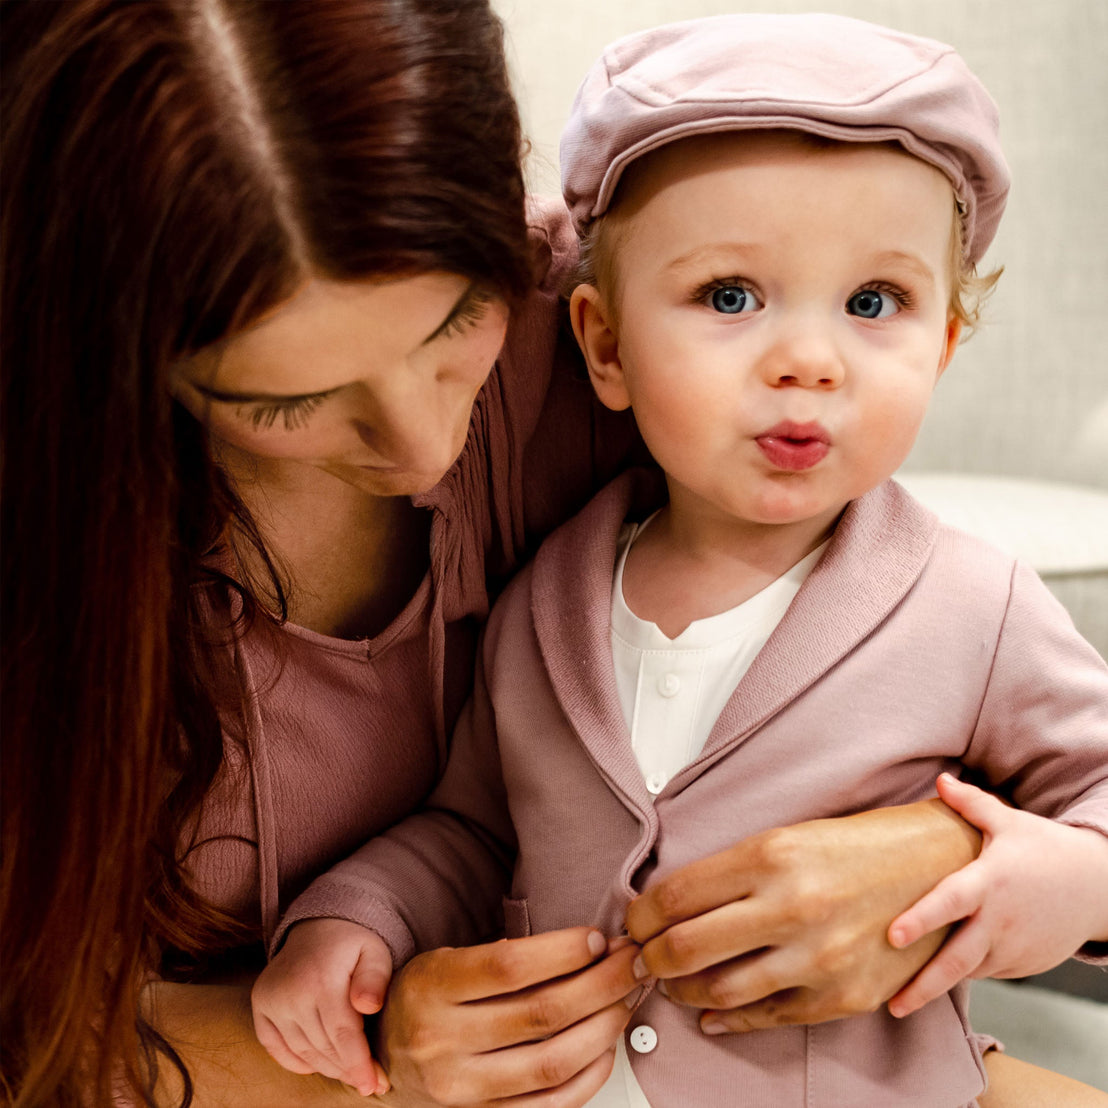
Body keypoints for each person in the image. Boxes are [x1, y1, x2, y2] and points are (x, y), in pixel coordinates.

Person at [0, 2, 1090, 1106]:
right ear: (602, 341)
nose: (427, 449)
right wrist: (350, 939)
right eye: (292, 403)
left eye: (455, 324)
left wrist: (967, 870)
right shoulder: (556, 599)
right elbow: (472, 828)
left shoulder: (969, 595)